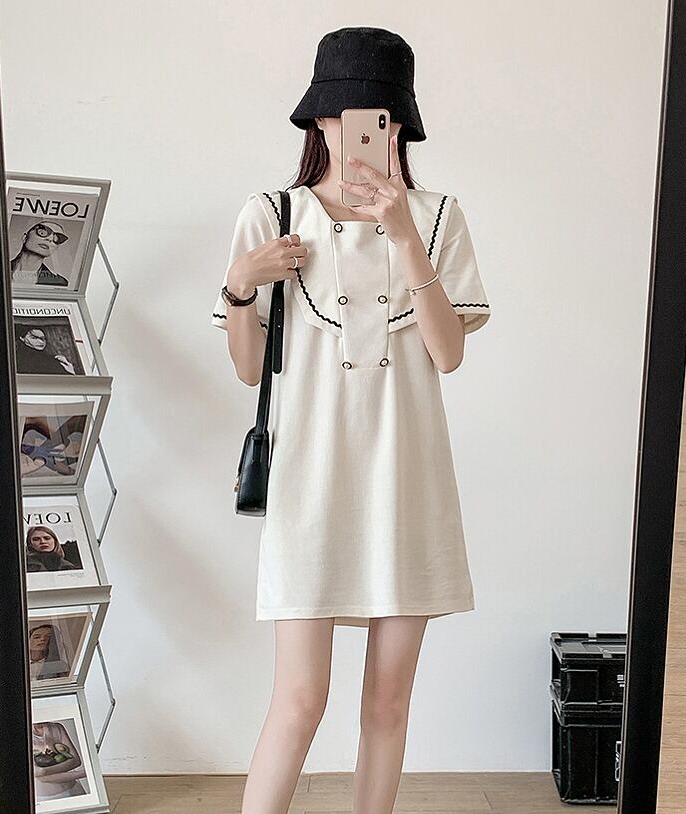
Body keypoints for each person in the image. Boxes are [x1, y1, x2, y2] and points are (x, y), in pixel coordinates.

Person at [210, 27, 491, 813]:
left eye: (381, 117)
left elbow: (447, 354)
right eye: (343, 113)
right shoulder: (273, 214)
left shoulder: (437, 216)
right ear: (318, 119)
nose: (360, 130)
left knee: (387, 704)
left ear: (401, 126)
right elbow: (248, 369)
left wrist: (403, 237)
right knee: (300, 701)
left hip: (408, 482)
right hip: (311, 482)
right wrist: (240, 284)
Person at [10, 220, 69, 287]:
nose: (50, 239)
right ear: (25, 238)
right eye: (42, 232)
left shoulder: (59, 283)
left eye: (57, 238)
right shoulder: (1, 269)